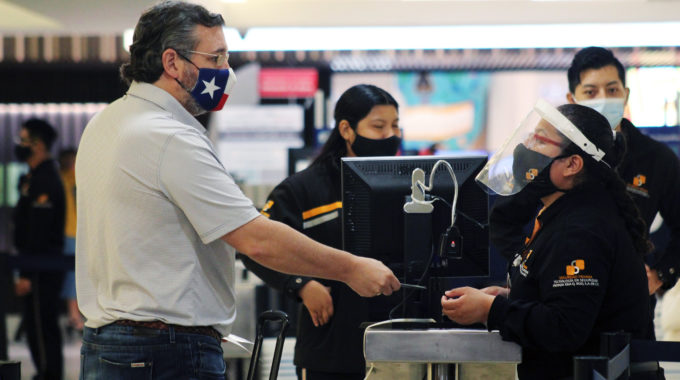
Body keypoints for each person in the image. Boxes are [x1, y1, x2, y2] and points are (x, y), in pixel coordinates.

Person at [75, 2, 400, 379]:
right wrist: (352, 268)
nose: (226, 72)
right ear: (172, 62)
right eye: (216, 58)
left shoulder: (108, 122)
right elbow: (256, 239)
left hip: (111, 344)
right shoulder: (167, 136)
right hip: (165, 352)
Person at [444, 101, 659, 379]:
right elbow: (576, 302)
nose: (527, 147)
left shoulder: (580, 231)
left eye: (540, 141)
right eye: (531, 136)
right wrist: (514, 298)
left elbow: (564, 327)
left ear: (572, 164)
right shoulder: (565, 213)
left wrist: (491, 310)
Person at [489, 46, 680, 336]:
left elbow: (564, 327)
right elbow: (505, 220)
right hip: (571, 309)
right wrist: (530, 272)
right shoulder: (551, 175)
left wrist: (661, 273)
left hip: (617, 324)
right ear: (572, 98)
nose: (603, 99)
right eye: (591, 92)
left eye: (612, 89)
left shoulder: (655, 161)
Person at [241, 84, 401, 380]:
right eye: (378, 126)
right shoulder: (303, 189)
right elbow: (253, 249)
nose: (390, 135)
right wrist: (300, 284)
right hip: (330, 350)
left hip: (400, 344)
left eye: (395, 126)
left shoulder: (410, 185)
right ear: (347, 130)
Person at [12, 118, 66, 380]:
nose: (19, 145)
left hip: (40, 266)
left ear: (38, 145)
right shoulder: (32, 177)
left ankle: (48, 374)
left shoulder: (45, 180)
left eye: (23, 140)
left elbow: (38, 232)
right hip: (35, 263)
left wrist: (25, 272)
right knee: (37, 324)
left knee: (41, 324)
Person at [58, 148, 83, 332]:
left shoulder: (77, 177)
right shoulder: (61, 178)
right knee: (71, 275)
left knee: (76, 275)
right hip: (68, 232)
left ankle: (75, 314)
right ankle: (73, 314)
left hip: (78, 232)